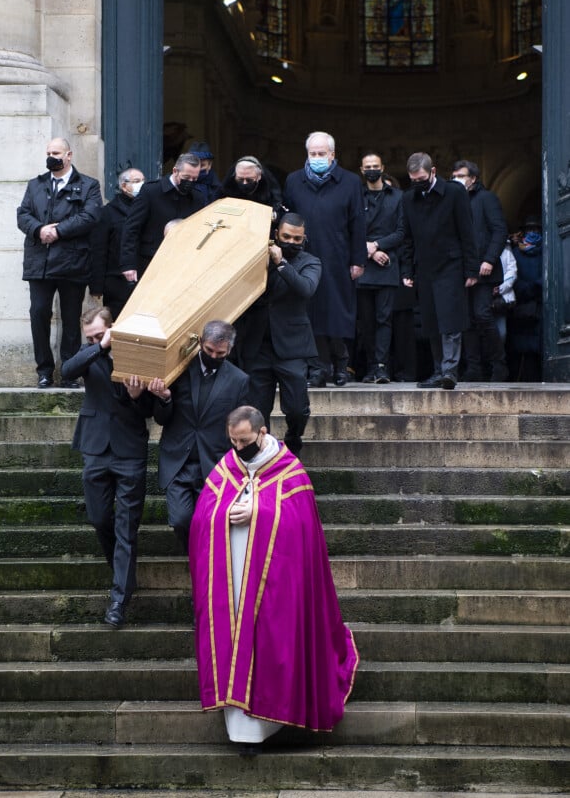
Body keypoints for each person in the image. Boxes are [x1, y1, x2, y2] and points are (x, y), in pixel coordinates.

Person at [189, 405, 359, 754]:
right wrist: (222, 515)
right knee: (234, 644)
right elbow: (202, 516)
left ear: (263, 433)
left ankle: (268, 722)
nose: (239, 449)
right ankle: (241, 731)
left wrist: (258, 512)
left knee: (268, 643)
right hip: (232, 581)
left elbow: (302, 528)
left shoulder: (290, 471)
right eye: (233, 441)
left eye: (245, 441)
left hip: (274, 587)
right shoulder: (227, 467)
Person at [61, 306, 153, 628]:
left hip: (129, 449)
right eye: (91, 337)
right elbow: (67, 371)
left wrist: (137, 395)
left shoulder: (137, 352)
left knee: (127, 526)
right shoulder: (90, 353)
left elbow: (150, 409)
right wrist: (98, 348)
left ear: (113, 329)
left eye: (101, 334)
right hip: (96, 447)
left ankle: (118, 600)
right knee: (100, 518)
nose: (95, 340)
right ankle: (123, 574)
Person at [147, 320, 249, 555]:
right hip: (177, 462)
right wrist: (163, 398)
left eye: (219, 353)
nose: (213, 355)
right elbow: (161, 418)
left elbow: (240, 425)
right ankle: (196, 558)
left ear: (229, 351)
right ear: (201, 343)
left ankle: (205, 567)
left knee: (210, 523)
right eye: (209, 350)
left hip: (214, 464)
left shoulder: (239, 380)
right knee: (181, 520)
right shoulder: (179, 369)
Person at [17, 137, 103, 388]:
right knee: (39, 313)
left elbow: (90, 216)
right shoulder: (35, 185)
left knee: (71, 317)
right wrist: (39, 229)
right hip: (39, 262)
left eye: (56, 152)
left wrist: (59, 231)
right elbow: (23, 214)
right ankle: (44, 370)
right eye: (48, 152)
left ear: (69, 155)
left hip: (72, 262)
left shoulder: (88, 185)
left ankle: (69, 371)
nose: (51, 156)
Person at [284, 131, 366, 387]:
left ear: (332, 154)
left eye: (322, 154)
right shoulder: (294, 181)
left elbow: (358, 222)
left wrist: (358, 260)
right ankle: (318, 368)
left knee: (338, 312)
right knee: (310, 313)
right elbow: (288, 220)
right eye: (312, 154)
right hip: (305, 256)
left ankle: (342, 366)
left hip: (338, 256)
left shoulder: (350, 182)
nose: (317, 158)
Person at [242, 212, 321, 456]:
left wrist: (281, 263)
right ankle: (259, 455)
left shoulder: (310, 261)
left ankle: (293, 439)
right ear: (276, 234)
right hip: (257, 345)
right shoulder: (257, 256)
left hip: (292, 347)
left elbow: (305, 289)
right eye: (286, 237)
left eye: (297, 239)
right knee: (257, 410)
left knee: (297, 408)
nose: (291, 242)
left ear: (304, 238)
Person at [402, 152, 479, 389]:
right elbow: (407, 237)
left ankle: (449, 371)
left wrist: (471, 269)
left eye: (422, 178)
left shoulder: (455, 192)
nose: (418, 183)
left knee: (450, 319)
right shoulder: (408, 199)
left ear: (433, 172)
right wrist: (407, 270)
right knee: (431, 320)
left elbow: (467, 231)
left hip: (451, 264)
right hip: (423, 266)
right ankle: (438, 370)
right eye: (414, 180)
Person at [451, 160, 509, 381]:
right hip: (460, 271)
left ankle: (499, 365)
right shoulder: (454, 201)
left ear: (473, 178)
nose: (457, 179)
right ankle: (473, 368)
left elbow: (499, 230)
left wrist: (489, 260)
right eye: (454, 175)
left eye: (461, 175)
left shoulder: (487, 199)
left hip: (485, 270)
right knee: (465, 319)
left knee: (482, 314)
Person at [356, 151, 405, 384]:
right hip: (363, 265)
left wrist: (377, 246)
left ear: (383, 167)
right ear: (361, 170)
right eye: (368, 166)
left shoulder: (398, 197)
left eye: (376, 165)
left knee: (384, 319)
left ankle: (382, 366)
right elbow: (349, 228)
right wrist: (369, 250)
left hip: (387, 265)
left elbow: (402, 231)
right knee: (366, 321)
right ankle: (370, 367)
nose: (372, 169)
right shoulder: (355, 196)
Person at [120, 152, 203, 283]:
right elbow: (132, 228)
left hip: (182, 263)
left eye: (194, 179)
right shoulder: (151, 191)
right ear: (175, 171)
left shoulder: (197, 197)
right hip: (150, 260)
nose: (190, 182)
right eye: (186, 177)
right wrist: (128, 264)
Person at [90, 167, 145, 319]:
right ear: (123, 185)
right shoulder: (108, 212)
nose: (140, 185)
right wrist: (97, 286)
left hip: (144, 276)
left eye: (142, 181)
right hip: (116, 280)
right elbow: (99, 249)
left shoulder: (147, 207)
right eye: (135, 181)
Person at [508, 218, 543, 381]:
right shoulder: (515, 253)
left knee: (540, 348)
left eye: (536, 230)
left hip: (543, 308)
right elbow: (512, 278)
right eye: (529, 230)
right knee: (519, 350)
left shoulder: (547, 251)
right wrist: (532, 288)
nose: (533, 233)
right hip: (521, 308)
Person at [214, 155, 284, 228]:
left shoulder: (270, 186)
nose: (244, 183)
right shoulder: (227, 185)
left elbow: (278, 209)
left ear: (259, 176)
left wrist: (272, 216)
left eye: (249, 180)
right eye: (240, 179)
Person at [188, 140, 220, 206]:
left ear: (209, 165)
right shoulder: (180, 183)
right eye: (194, 164)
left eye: (202, 165)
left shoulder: (218, 188)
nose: (198, 168)